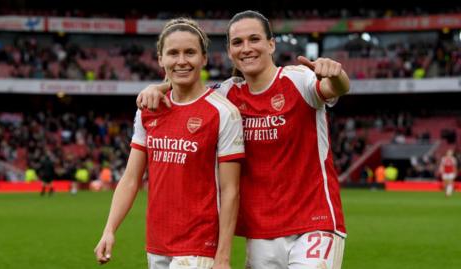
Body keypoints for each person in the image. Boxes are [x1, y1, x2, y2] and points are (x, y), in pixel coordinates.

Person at [137, 10, 349, 269]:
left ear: (271, 44)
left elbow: (333, 88)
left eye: (255, 39)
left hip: (314, 224)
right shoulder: (227, 94)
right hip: (260, 233)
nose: (246, 48)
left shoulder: (298, 79)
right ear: (229, 51)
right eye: (238, 42)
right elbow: (189, 88)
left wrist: (336, 74)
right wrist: (157, 87)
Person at [94, 18, 245, 269]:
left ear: (204, 58)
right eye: (173, 53)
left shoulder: (223, 112)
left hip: (199, 245)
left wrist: (223, 256)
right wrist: (109, 229)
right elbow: (131, 179)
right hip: (157, 243)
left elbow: (230, 190)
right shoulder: (148, 110)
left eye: (190, 52)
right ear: (160, 59)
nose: (182, 60)